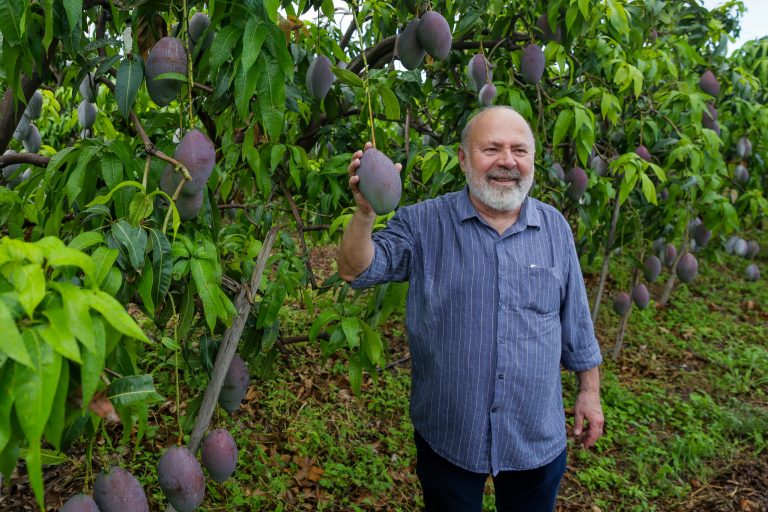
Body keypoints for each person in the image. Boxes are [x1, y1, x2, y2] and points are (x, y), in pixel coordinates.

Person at [337, 106, 604, 512]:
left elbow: (577, 321)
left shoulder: (554, 228)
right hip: (451, 435)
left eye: (519, 150)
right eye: (491, 149)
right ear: (463, 159)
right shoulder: (424, 223)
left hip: (534, 434)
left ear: (533, 160)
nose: (507, 161)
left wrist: (589, 391)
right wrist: (365, 212)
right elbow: (355, 269)